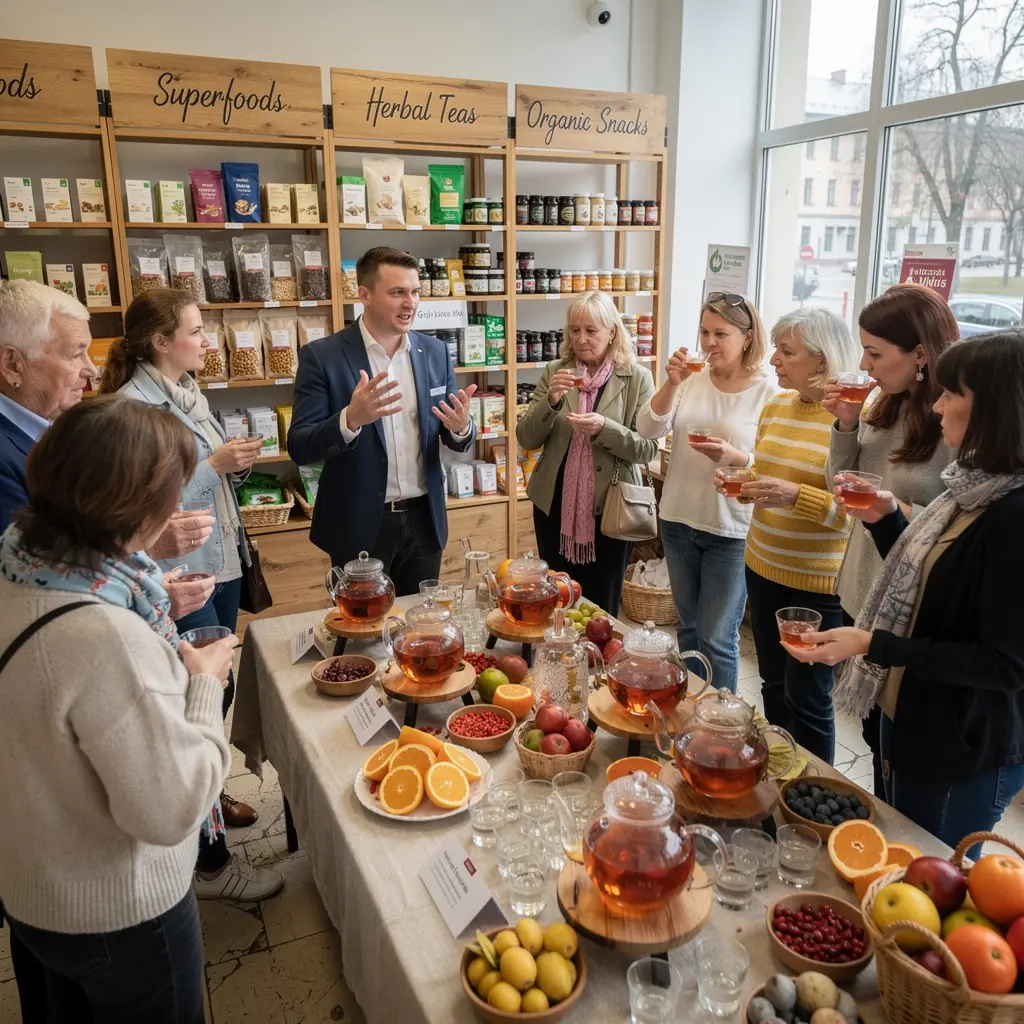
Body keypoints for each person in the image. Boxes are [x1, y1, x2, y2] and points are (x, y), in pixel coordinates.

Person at [0, 280, 213, 1021]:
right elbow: (172, 805)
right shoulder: (103, 633)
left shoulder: (15, 559)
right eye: (170, 496)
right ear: (136, 510)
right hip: (119, 912)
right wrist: (202, 688)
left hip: (31, 887)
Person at [786, 330, 1024, 848]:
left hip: (961, 743)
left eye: (950, 394)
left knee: (929, 868)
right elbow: (937, 578)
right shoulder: (968, 488)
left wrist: (874, 644)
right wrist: (886, 518)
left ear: (994, 408)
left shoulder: (1012, 515)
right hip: (912, 712)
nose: (937, 407)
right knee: (896, 849)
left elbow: (1003, 664)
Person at [100, 289, 283, 903]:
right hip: (180, 578)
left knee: (217, 689)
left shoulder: (189, 394)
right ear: (160, 341)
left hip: (219, 562)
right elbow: (141, 497)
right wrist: (212, 464)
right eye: (198, 331)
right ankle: (209, 864)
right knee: (188, 699)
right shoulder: (131, 407)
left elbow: (202, 475)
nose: (208, 341)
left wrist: (229, 466)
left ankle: (211, 787)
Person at [824, 283, 957, 793]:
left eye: (876, 352)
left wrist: (896, 509)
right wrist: (846, 423)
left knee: (900, 745)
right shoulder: (883, 405)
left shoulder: (954, 422)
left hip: (909, 606)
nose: (865, 363)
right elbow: (839, 485)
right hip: (862, 587)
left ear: (921, 353)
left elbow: (960, 520)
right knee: (872, 730)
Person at [715, 307, 859, 763]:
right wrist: (747, 486)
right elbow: (765, 473)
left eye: (787, 351)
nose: (774, 359)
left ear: (822, 360)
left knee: (810, 698)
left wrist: (796, 495)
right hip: (762, 566)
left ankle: (814, 795)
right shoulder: (776, 405)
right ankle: (779, 771)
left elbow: (856, 512)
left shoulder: (857, 418)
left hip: (815, 583)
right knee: (773, 684)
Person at [287, 246, 477, 593]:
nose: (411, 303)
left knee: (423, 632)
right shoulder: (322, 356)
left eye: (415, 292)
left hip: (424, 521)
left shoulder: (433, 352)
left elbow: (455, 434)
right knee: (364, 632)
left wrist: (461, 427)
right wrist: (350, 419)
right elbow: (300, 445)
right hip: (358, 524)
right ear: (364, 295)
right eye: (397, 293)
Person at [637, 292, 778, 691]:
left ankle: (720, 722)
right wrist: (671, 383)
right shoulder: (690, 380)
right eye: (704, 331)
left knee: (717, 638)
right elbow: (648, 429)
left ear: (748, 337)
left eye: (721, 333)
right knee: (689, 629)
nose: (709, 342)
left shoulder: (768, 392)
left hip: (731, 528)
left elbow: (770, 464)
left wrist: (737, 456)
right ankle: (688, 710)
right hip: (680, 517)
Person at [516, 291, 657, 615]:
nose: (581, 339)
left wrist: (605, 428)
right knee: (554, 599)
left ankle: (595, 663)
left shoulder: (636, 378)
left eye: (591, 331)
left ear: (612, 332)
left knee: (601, 608)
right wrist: (550, 402)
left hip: (610, 510)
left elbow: (647, 448)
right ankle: (554, 661)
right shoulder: (556, 371)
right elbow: (527, 437)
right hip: (553, 506)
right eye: (574, 330)